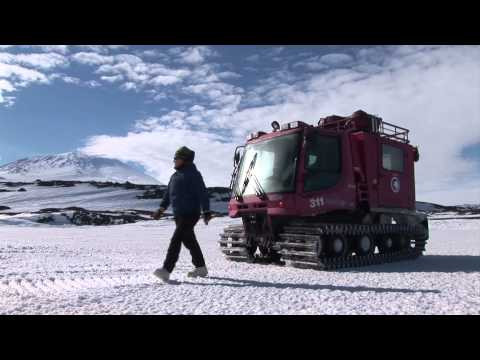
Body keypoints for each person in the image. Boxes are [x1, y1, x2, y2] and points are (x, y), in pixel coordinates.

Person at [152, 146, 213, 282]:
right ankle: (200, 267)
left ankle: (166, 270)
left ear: (185, 160)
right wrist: (161, 209)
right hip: (179, 215)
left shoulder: (194, 175)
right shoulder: (174, 176)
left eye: (177, 158)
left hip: (191, 213)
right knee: (189, 240)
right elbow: (168, 194)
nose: (174, 161)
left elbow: (203, 193)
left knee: (176, 239)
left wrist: (206, 211)